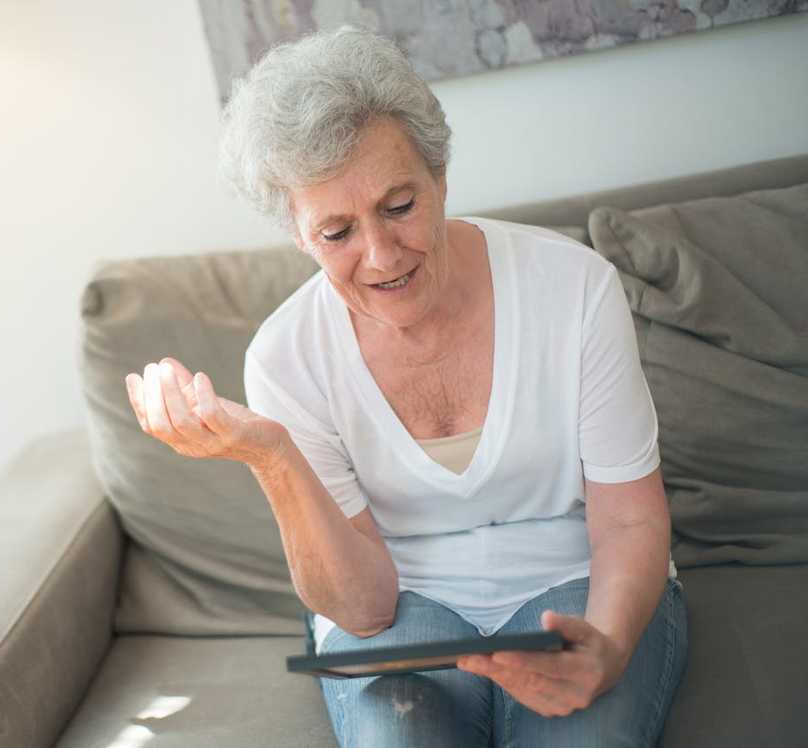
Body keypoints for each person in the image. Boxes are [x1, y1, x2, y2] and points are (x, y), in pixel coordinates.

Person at [124, 26, 687, 748]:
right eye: (337, 233)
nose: (383, 256)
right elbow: (363, 606)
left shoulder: (574, 288)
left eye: (399, 206)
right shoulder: (286, 358)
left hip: (580, 583)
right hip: (405, 605)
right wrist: (272, 455)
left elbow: (631, 522)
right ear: (298, 235)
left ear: (440, 176)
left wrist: (607, 649)